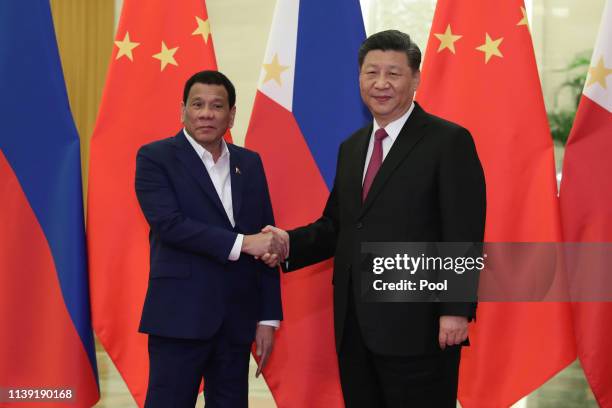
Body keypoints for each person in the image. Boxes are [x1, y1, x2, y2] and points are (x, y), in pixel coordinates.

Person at [263, 30, 486, 407]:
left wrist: (455, 310)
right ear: (359, 78)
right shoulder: (352, 147)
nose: (381, 84)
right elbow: (339, 225)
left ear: (415, 79)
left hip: (420, 326)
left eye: (394, 74)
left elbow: (463, 230)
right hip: (355, 327)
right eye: (371, 73)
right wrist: (286, 243)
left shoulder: (448, 141)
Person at [135, 70, 284, 407]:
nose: (206, 113)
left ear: (231, 114)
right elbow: (170, 225)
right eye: (197, 104)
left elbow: (266, 237)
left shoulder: (250, 162)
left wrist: (267, 317)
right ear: (183, 110)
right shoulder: (155, 158)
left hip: (236, 321)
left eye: (217, 106)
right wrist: (243, 244)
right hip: (179, 317)